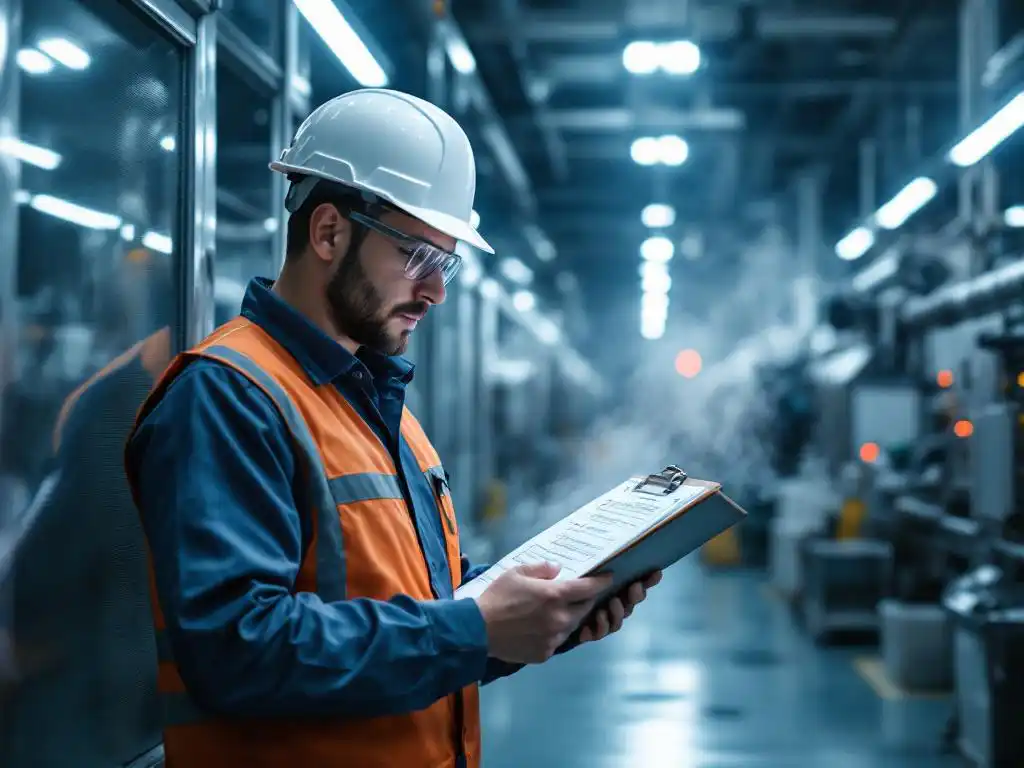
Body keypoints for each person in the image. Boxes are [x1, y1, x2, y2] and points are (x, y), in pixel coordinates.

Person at [124, 88, 662, 768]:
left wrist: (538, 615)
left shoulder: (380, 408)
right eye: (418, 258)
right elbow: (237, 649)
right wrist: (475, 628)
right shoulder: (229, 396)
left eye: (446, 265)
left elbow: (418, 615)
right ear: (328, 233)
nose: (436, 292)